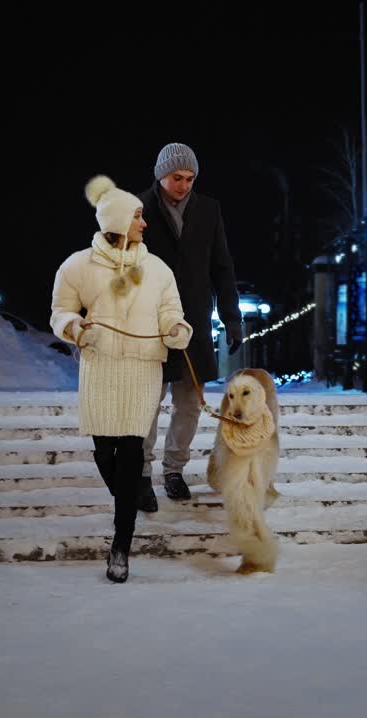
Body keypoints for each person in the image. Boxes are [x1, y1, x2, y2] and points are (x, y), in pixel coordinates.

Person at [50, 175, 192, 583]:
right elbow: (59, 312)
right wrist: (75, 327)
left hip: (143, 369)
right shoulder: (77, 266)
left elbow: (171, 310)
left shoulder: (157, 268)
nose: (144, 223)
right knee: (104, 454)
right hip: (100, 368)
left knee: (131, 452)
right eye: (137, 216)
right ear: (116, 219)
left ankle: (121, 545)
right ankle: (126, 503)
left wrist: (177, 329)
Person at [138, 142, 242, 510]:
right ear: (160, 175)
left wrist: (232, 317)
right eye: (177, 178)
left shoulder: (208, 209)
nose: (184, 185)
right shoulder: (138, 209)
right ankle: (141, 474)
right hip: (148, 321)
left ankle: (173, 470)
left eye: (190, 178)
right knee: (147, 402)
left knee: (189, 402)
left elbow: (222, 267)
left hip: (194, 320)